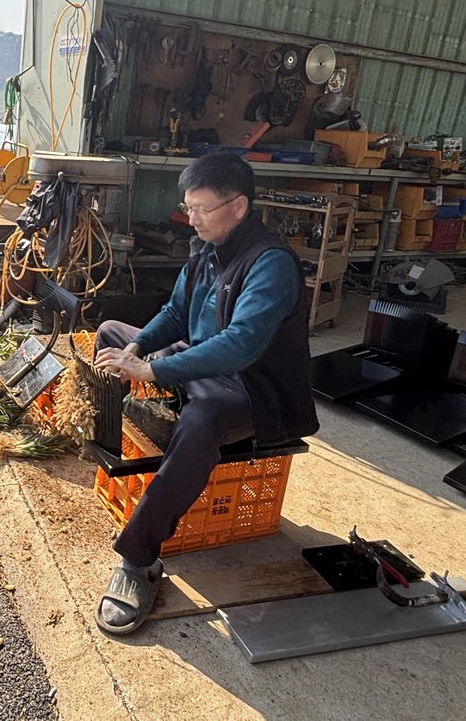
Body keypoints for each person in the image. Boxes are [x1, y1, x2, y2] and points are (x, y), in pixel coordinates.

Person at [90, 152, 319, 636]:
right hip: (198, 362)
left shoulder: (271, 264)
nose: (190, 218)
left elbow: (240, 345)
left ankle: (138, 559)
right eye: (187, 207)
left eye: (200, 209)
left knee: (202, 420)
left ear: (238, 206)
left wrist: (152, 370)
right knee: (111, 333)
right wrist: (137, 348)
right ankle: (115, 436)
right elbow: (176, 313)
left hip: (251, 386)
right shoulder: (206, 249)